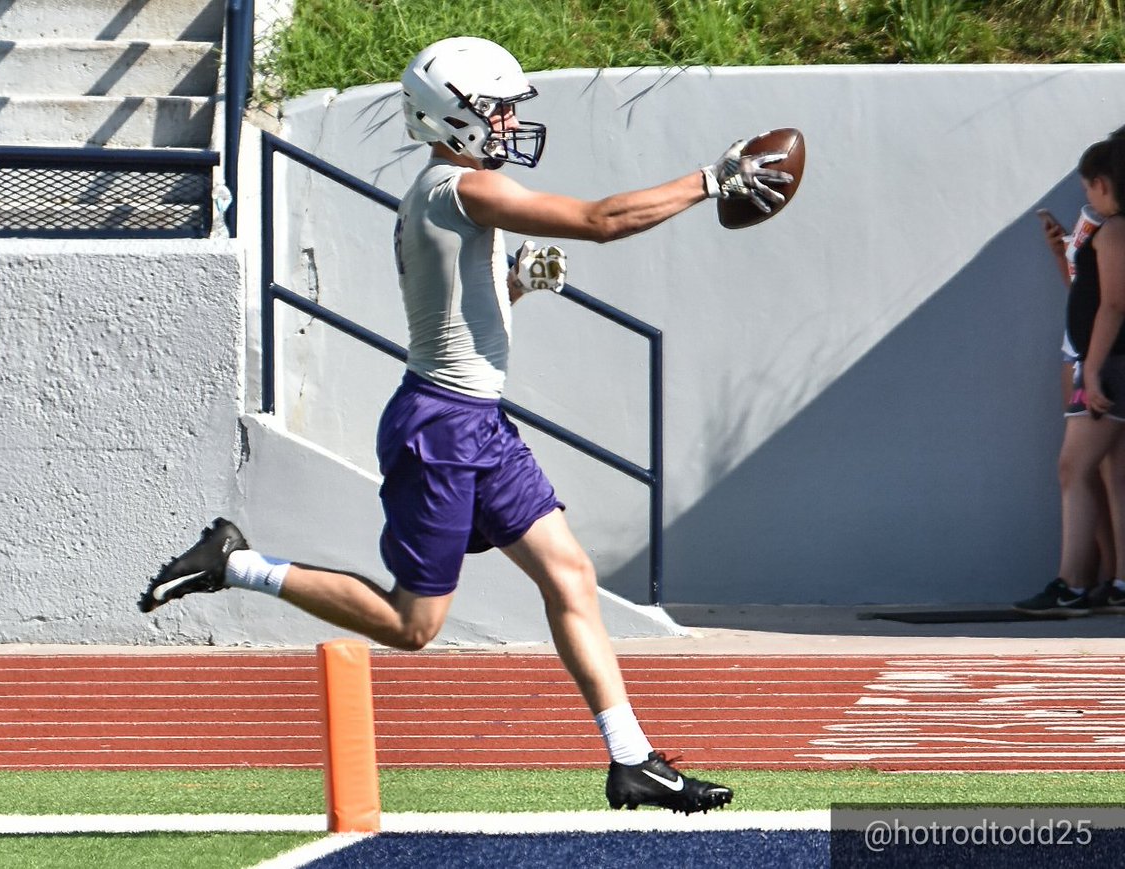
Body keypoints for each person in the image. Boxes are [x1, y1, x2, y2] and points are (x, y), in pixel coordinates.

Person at [138, 36, 791, 813]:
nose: (510, 121)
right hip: (442, 429)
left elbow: (450, 316)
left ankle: (632, 759)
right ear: (453, 115)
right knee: (413, 625)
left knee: (569, 574)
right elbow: (600, 219)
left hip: (476, 422)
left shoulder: (443, 193)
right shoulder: (461, 187)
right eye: (498, 108)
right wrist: (711, 180)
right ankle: (236, 561)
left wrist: (512, 284)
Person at [1016, 137, 1125, 616]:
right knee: (1110, 474)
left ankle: (1074, 584)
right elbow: (1092, 295)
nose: (1088, 198)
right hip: (1108, 365)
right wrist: (1065, 256)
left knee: (1073, 469)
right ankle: (1116, 582)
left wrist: (1093, 371)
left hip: (1109, 367)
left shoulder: (1115, 230)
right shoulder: (1112, 232)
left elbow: (1114, 305)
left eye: (1088, 189)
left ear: (1101, 183)